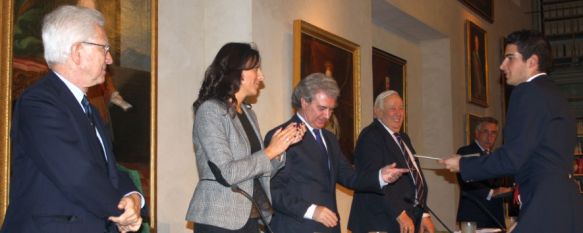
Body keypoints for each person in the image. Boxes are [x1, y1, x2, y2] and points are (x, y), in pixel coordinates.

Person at [1, 5, 144, 233]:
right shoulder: (39, 103)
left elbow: (109, 171)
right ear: (77, 52)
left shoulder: (88, 109)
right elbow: (78, 175)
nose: (109, 59)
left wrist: (133, 198)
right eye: (104, 49)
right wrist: (122, 213)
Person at [441, 30, 583, 233]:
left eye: (510, 58)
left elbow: (513, 158)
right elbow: (538, 156)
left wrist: (463, 164)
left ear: (532, 61)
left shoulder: (527, 91)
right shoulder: (556, 95)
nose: (502, 65)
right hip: (563, 205)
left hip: (544, 204)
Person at [185, 42, 306, 233]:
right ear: (236, 71)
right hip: (219, 219)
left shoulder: (249, 114)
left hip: (250, 217)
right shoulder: (210, 111)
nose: (262, 76)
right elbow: (226, 173)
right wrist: (270, 151)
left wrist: (281, 148)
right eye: (256, 69)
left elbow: (257, 172)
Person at [266, 73, 408, 233]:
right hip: (295, 227)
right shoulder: (281, 136)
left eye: (331, 109)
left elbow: (350, 177)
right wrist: (312, 211)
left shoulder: (329, 138)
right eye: (322, 108)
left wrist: (381, 176)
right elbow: (272, 190)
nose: (327, 116)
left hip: (329, 228)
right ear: (304, 102)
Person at [348, 90, 435, 233]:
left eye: (401, 108)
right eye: (392, 108)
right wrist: (399, 213)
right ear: (378, 112)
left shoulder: (404, 138)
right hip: (380, 222)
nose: (399, 113)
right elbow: (373, 179)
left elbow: (414, 179)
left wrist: (423, 213)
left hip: (409, 219)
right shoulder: (371, 136)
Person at [455, 117, 512, 229]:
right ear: (477, 133)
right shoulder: (466, 152)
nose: (489, 137)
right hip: (474, 215)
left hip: (495, 217)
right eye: (486, 131)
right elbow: (467, 181)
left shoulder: (496, 156)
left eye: (493, 133)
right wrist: (492, 192)